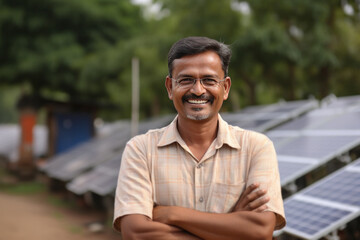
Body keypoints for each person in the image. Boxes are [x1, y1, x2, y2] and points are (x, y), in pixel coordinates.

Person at [113, 36, 286, 239]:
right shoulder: (141, 150)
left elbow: (259, 231)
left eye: (209, 80)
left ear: (226, 87)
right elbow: (136, 233)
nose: (198, 90)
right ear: (170, 87)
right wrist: (232, 223)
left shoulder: (256, 147)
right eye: (186, 80)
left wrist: (172, 214)